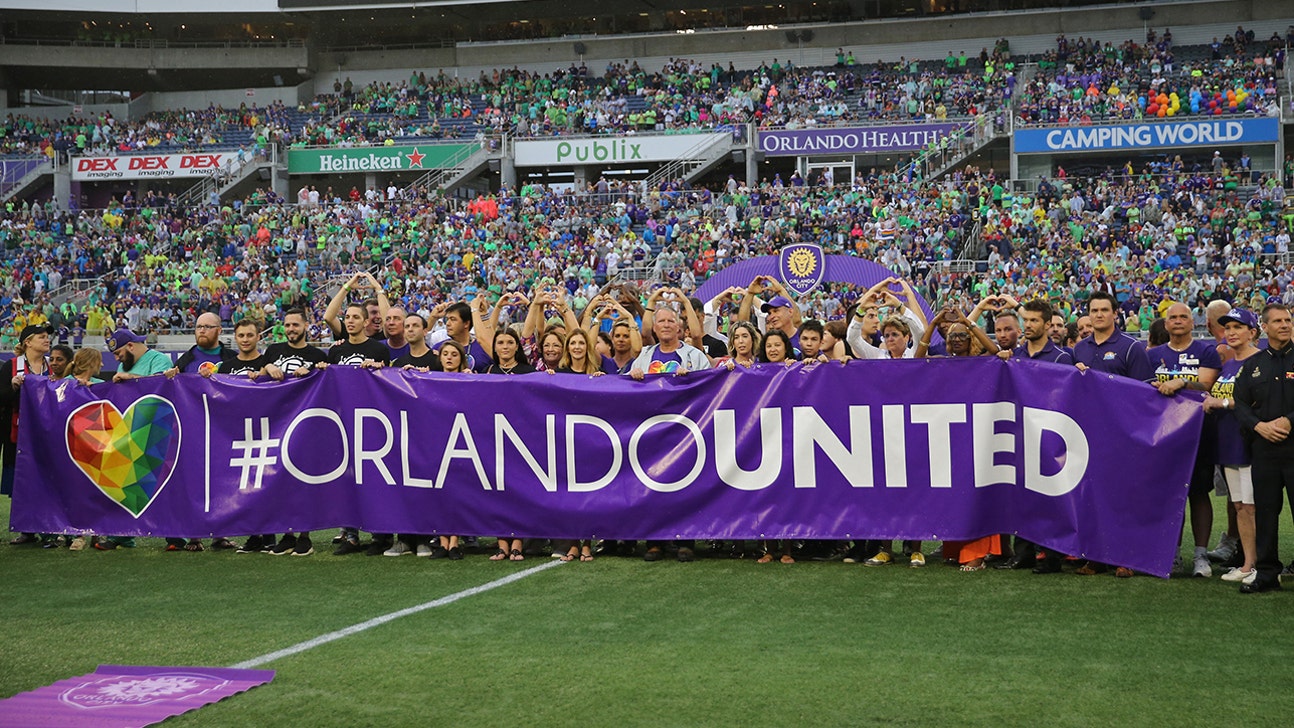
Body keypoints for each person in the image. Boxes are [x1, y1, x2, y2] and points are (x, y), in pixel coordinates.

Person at [1071, 292, 1154, 577]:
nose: (1098, 315)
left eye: (1104, 310)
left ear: (1115, 314)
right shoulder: (1079, 349)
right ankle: (1095, 556)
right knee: (1092, 497)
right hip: (1089, 434)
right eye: (1094, 310)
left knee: (1123, 498)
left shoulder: (1131, 348)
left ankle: (1126, 557)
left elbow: (1145, 393)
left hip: (1122, 433)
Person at [1149, 302, 1222, 577]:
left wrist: (1181, 382)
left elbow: (1207, 384)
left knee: (1199, 494)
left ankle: (1201, 556)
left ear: (1194, 323)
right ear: (1166, 324)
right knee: (1169, 495)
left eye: (1184, 317)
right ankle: (1173, 553)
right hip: (1163, 435)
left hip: (1199, 433)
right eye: (1173, 318)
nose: (1178, 321)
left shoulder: (1206, 351)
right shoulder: (1152, 355)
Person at [164, 311, 239, 551]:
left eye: (207, 326)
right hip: (192, 431)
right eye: (198, 327)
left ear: (219, 330)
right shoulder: (185, 359)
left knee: (222, 482)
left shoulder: (231, 358)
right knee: (194, 483)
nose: (202, 330)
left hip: (223, 429)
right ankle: (195, 537)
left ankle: (220, 535)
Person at [1231, 304, 1294, 593]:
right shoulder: (1254, 365)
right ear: (1264, 328)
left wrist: (1289, 421)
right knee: (1266, 513)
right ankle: (1267, 573)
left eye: (1288, 320)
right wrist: (1259, 426)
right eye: (1278, 321)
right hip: (1264, 451)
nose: (1284, 325)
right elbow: (1240, 403)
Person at [321, 303, 391, 556]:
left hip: (371, 421)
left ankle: (380, 534)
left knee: (373, 478)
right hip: (342, 421)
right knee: (345, 478)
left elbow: (388, 382)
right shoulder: (336, 351)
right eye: (347, 317)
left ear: (365, 322)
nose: (349, 321)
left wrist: (378, 368)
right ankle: (350, 535)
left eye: (355, 318)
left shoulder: (378, 349)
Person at [258, 308, 329, 557]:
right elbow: (257, 374)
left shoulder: (316, 354)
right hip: (276, 423)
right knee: (281, 481)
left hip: (305, 425)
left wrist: (313, 371)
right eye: (287, 325)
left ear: (306, 326)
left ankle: (304, 536)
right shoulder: (273, 351)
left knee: (303, 480)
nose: (290, 329)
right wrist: (267, 366)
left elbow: (326, 382)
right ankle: (287, 535)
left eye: (295, 325)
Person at [1203, 308, 1261, 584]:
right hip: (1228, 446)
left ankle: (1260, 562)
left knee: (1252, 507)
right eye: (1228, 328)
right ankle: (1247, 563)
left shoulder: (1260, 361)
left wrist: (1222, 403)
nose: (1232, 332)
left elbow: (1263, 401)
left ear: (1253, 332)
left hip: (1251, 445)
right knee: (1239, 506)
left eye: (1239, 327)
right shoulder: (1227, 365)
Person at [383, 313, 439, 558]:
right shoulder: (397, 363)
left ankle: (425, 537)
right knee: (402, 485)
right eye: (407, 326)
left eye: (415, 325)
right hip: (403, 433)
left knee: (426, 485)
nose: (410, 329)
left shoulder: (436, 360)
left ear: (425, 330)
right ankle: (404, 538)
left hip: (430, 433)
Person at [484, 327, 535, 562]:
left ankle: (518, 543)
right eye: (501, 342)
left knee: (520, 492)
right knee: (497, 493)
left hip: (522, 439)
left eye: (509, 342)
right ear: (495, 347)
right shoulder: (488, 372)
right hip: (493, 438)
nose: (505, 347)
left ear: (517, 346)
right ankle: (501, 543)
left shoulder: (528, 372)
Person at [2, 324, 51, 546]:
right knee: (21, 480)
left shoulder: (54, 365)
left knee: (47, 479)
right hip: (17, 433)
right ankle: (27, 529)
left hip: (49, 434)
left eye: (47, 336)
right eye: (41, 337)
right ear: (27, 342)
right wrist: (12, 387)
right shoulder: (12, 366)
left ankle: (48, 528)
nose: (47, 340)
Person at [427, 341, 470, 561]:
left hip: (463, 441)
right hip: (437, 440)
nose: (450, 358)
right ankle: (442, 541)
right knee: (439, 492)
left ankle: (455, 541)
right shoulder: (429, 379)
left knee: (458, 492)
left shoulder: (470, 379)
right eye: (446, 354)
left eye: (454, 354)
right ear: (440, 357)